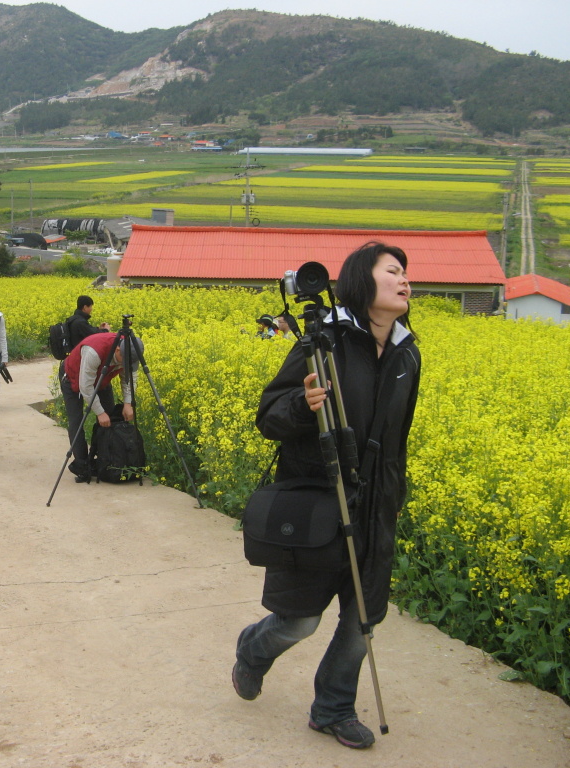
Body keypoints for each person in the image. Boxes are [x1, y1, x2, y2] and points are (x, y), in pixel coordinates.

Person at [232, 242, 420, 750]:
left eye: (406, 273)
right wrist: (302, 402)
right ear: (363, 280)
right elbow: (269, 413)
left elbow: (398, 437)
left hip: (375, 506)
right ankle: (253, 650)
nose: (404, 280)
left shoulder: (407, 352)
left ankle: (332, 709)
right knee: (299, 622)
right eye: (393, 272)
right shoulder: (325, 342)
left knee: (363, 622)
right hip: (320, 502)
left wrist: (393, 497)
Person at [61, 331, 142, 483]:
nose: (124, 365)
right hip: (73, 378)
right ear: (117, 350)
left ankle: (105, 461)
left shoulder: (129, 351)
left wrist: (128, 402)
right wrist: (99, 412)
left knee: (109, 418)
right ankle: (82, 465)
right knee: (76, 422)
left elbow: (129, 378)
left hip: (102, 379)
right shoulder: (94, 351)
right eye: (123, 361)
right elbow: (85, 386)